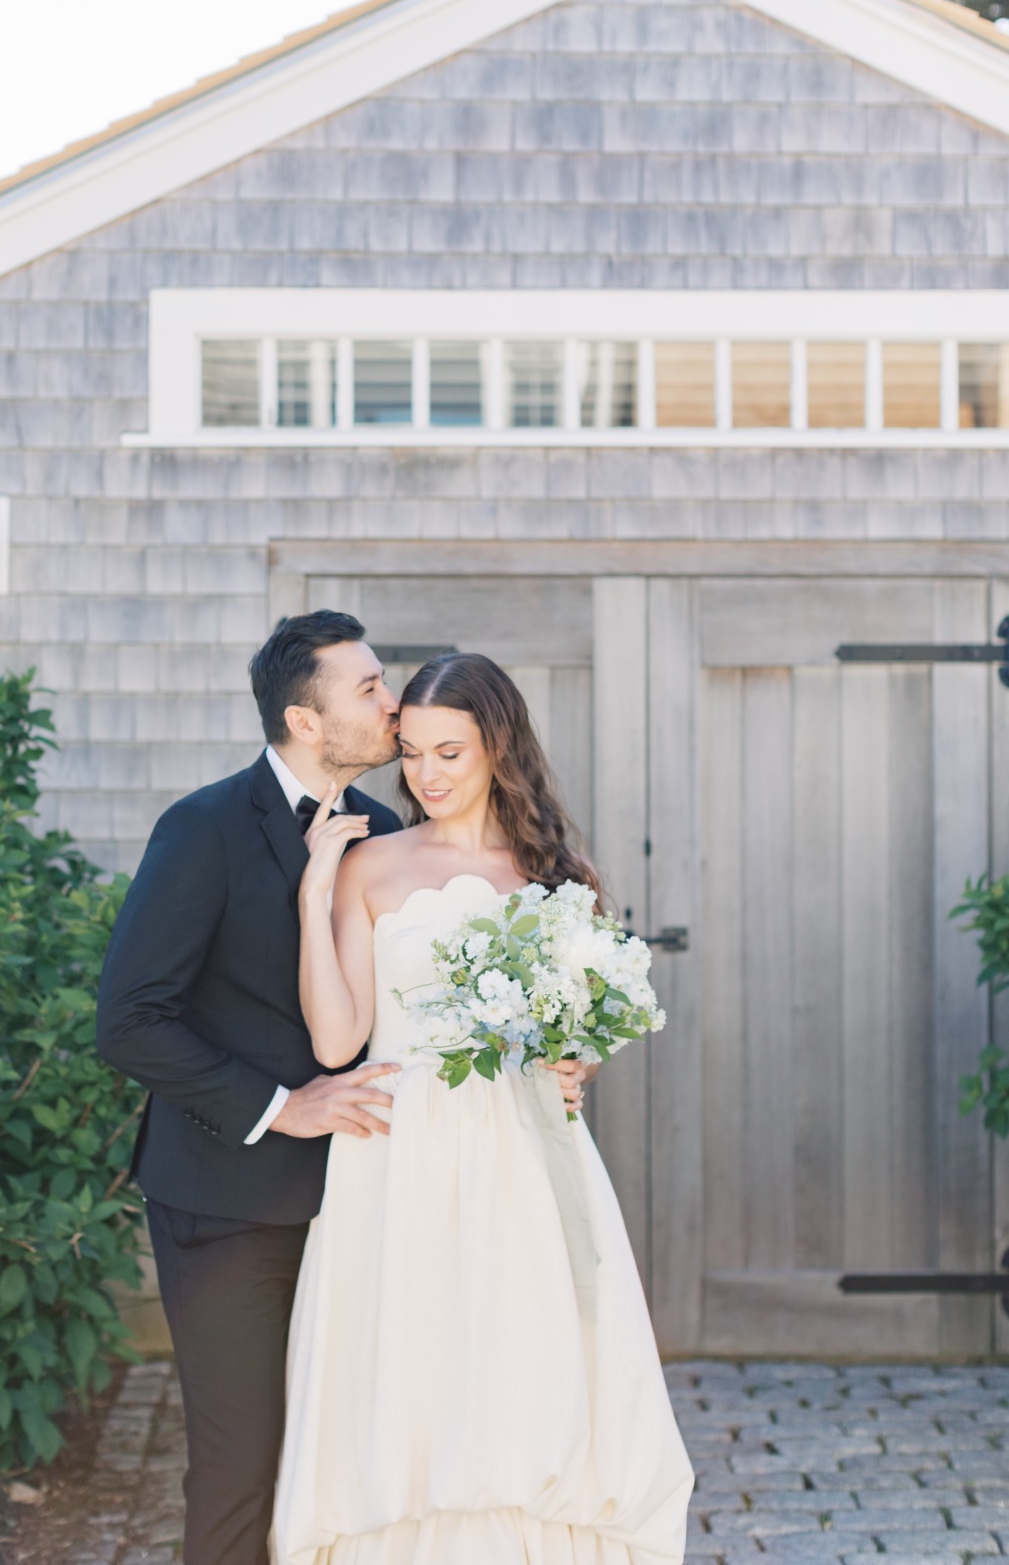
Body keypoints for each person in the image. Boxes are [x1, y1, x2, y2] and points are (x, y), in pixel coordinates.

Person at [272, 650, 693, 1565]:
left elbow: (581, 1017)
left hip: (522, 1152)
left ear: (499, 749)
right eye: (412, 753)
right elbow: (338, 1042)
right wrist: (314, 894)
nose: (425, 775)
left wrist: (580, 1055)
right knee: (413, 1366)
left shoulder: (557, 871)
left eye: (450, 754)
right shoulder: (370, 865)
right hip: (399, 1148)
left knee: (521, 1356)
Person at [96, 611, 404, 1565]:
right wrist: (284, 1106)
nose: (389, 703)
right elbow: (131, 1019)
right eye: (366, 689)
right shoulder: (204, 828)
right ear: (304, 722)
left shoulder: (388, 833)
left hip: (363, 1200)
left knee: (345, 1456)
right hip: (226, 1204)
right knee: (241, 1464)